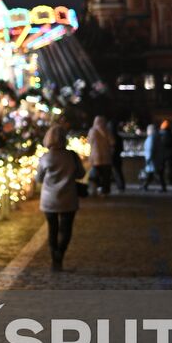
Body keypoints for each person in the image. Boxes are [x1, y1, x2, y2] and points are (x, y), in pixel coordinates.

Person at [36, 126, 84, 271]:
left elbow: (39, 178)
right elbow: (81, 174)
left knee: (52, 229)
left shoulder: (45, 157)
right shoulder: (72, 156)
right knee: (66, 229)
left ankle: (54, 258)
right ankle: (60, 253)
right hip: (68, 197)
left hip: (49, 199)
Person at [87, 115, 114, 196]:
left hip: (95, 158)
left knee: (95, 175)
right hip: (106, 157)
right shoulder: (107, 131)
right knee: (106, 176)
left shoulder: (92, 131)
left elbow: (89, 142)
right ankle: (105, 191)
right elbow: (112, 142)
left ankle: (95, 189)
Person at [149, 121, 172, 191]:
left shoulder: (157, 136)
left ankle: (163, 186)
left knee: (159, 171)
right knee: (166, 169)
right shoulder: (168, 135)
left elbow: (154, 148)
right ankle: (168, 182)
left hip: (160, 156)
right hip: (166, 155)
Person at [110, 121, 127, 192]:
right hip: (118, 157)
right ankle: (121, 186)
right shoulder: (119, 137)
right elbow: (122, 148)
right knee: (118, 171)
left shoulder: (111, 137)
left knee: (116, 172)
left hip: (113, 157)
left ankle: (120, 186)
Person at [140, 123, 157, 189]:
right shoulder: (153, 138)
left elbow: (149, 149)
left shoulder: (150, 139)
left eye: (148, 130)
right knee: (150, 174)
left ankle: (145, 185)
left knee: (150, 174)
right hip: (151, 159)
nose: (147, 132)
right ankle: (145, 185)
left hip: (150, 159)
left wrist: (148, 159)